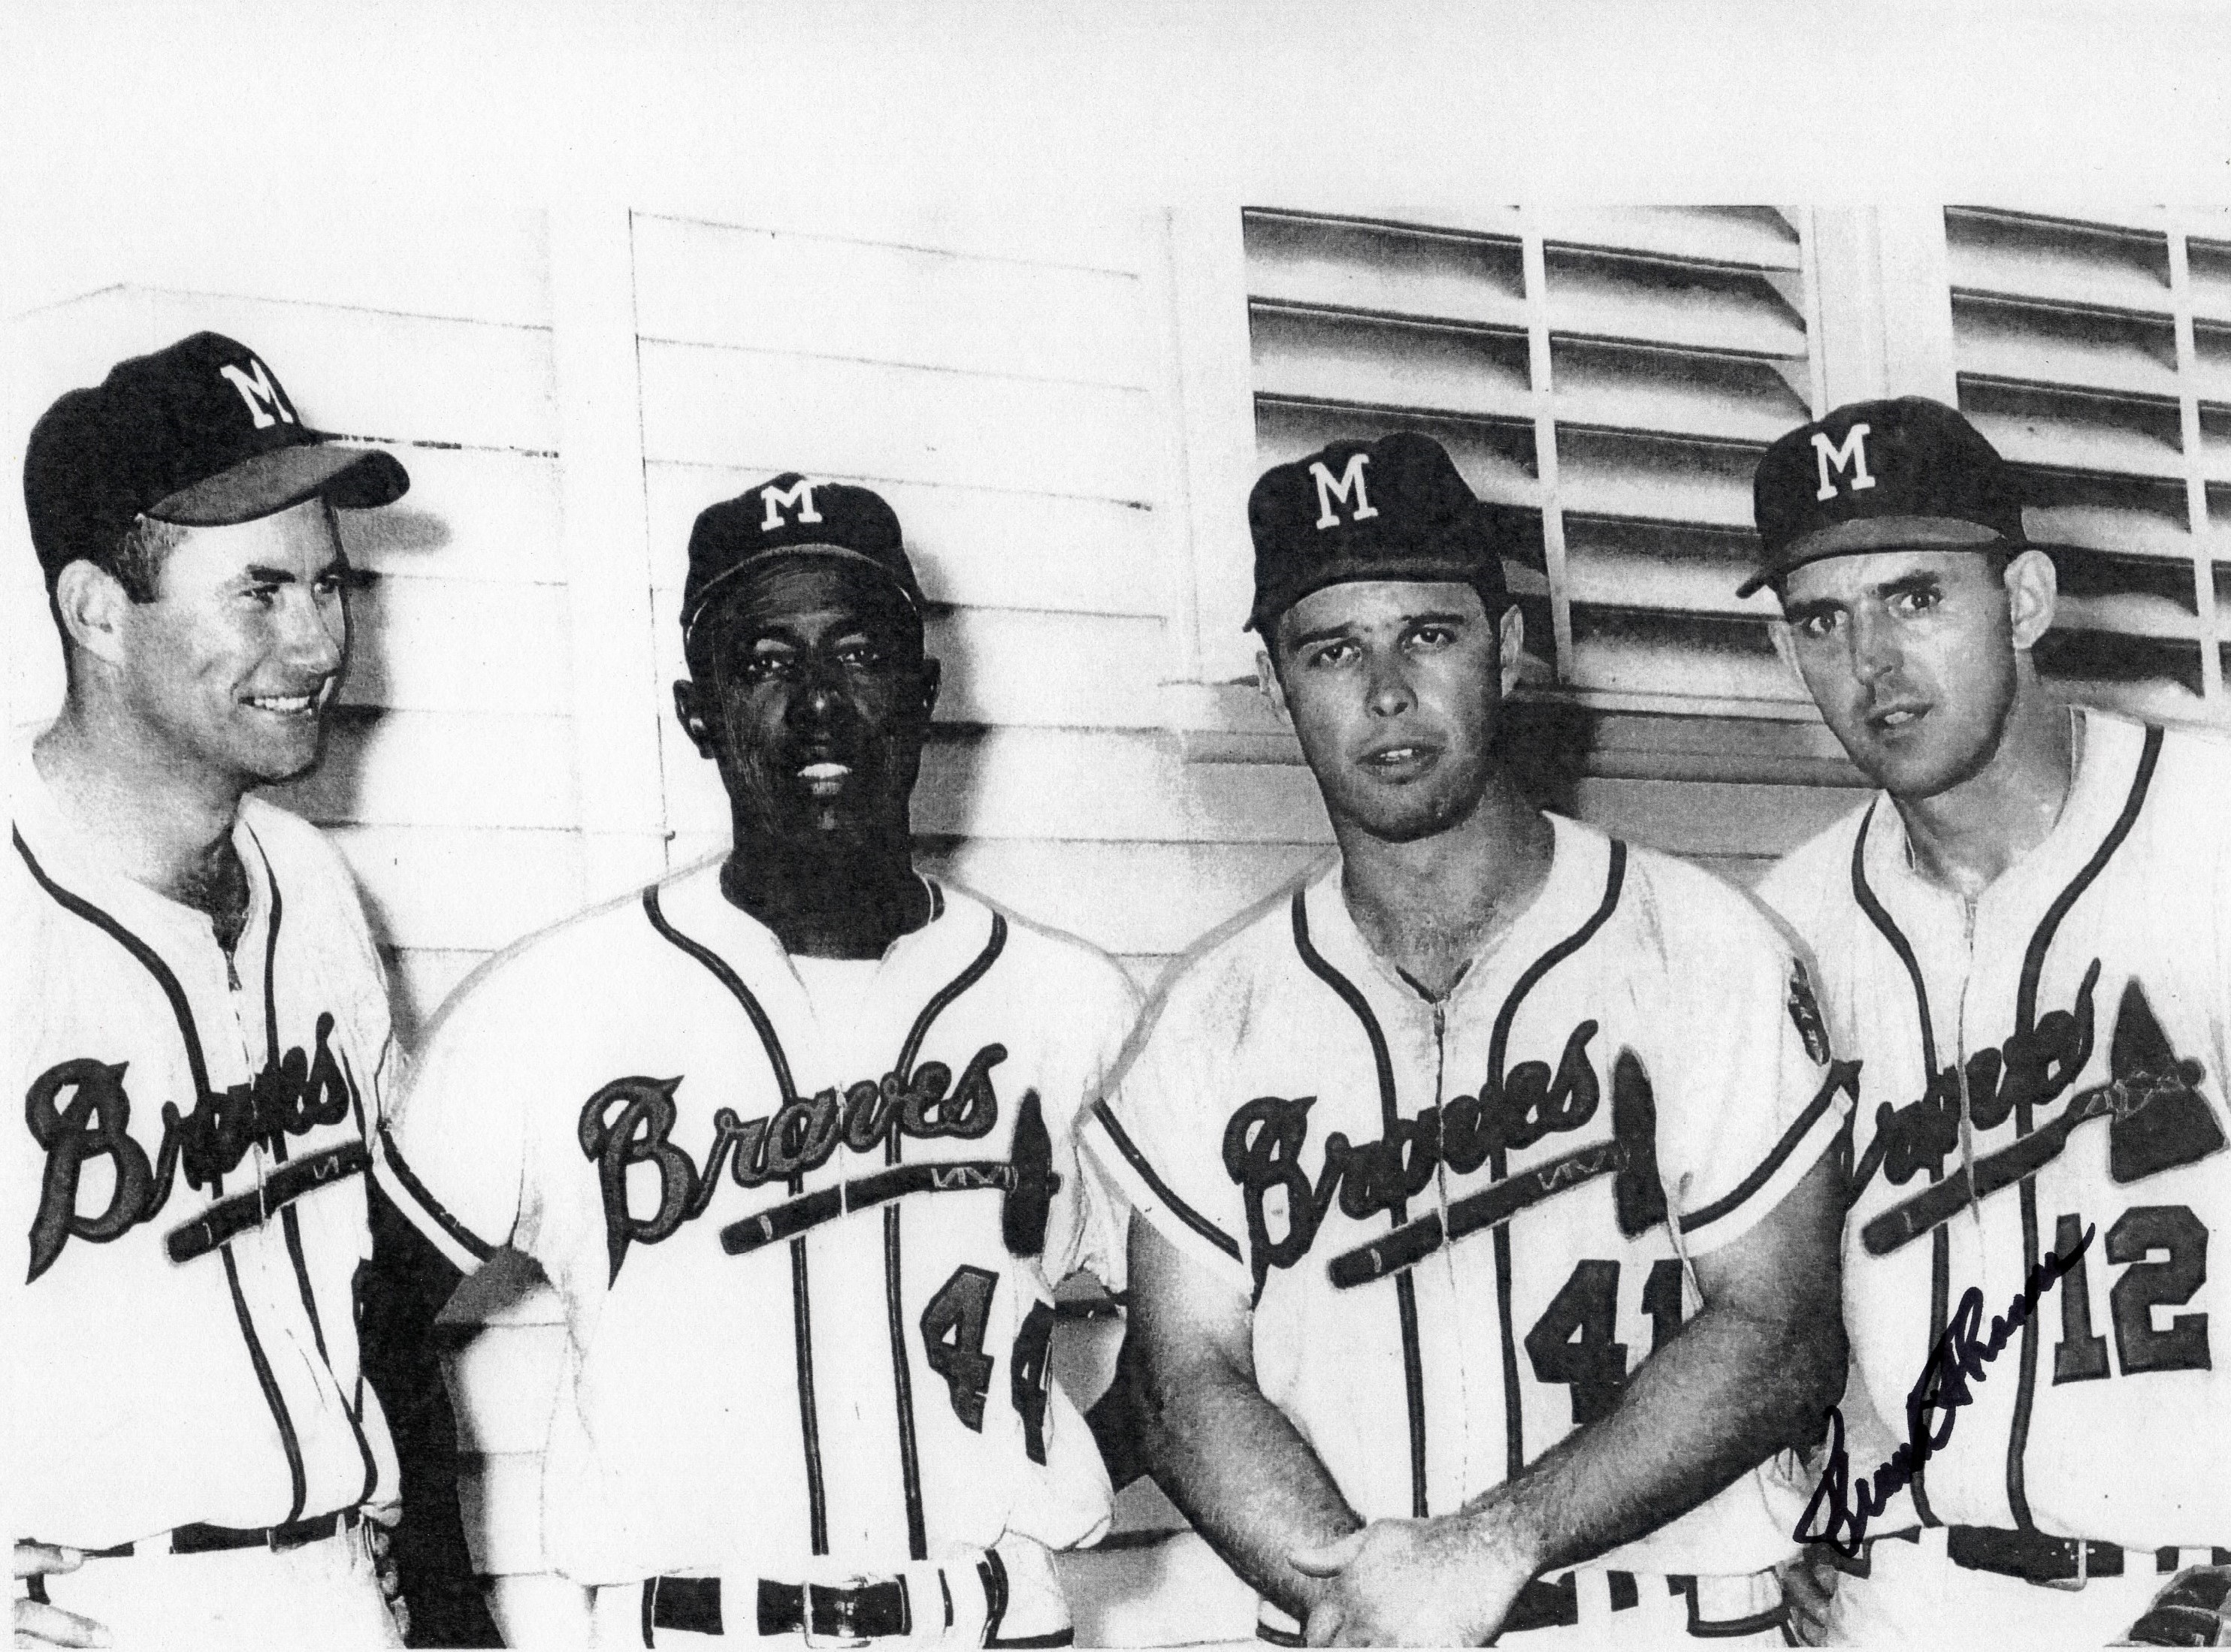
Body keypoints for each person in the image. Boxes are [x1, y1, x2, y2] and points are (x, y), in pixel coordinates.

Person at [1078, 430, 1856, 1645]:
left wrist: (1491, 1547)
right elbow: (1182, 1381)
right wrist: (1365, 1602)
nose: (1386, 692)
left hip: (1664, 1618)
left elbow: (1782, 1333)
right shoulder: (1215, 1014)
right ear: (1278, 685)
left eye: (1427, 635)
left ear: (1509, 648)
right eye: (1332, 650)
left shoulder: (1701, 946)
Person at [372, 474, 1145, 1647]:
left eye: (859, 655)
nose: (819, 706)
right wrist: (446, 1622)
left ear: (923, 693)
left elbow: (1217, 1328)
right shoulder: (558, 1004)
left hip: (990, 1620)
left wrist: (1060, 1462)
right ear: (699, 712)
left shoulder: (1070, 1003)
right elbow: (371, 1307)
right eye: (765, 665)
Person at [1747, 397, 2231, 1646]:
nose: (1872, 661)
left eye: (1916, 598)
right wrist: (1787, 1510)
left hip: (2210, 1589)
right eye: (1824, 618)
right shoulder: (1790, 924)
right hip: (1907, 1603)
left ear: (2024, 603)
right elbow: (1771, 1297)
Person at [8, 331, 488, 1648]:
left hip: (339, 1583)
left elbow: (377, 1285)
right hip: (114, 1602)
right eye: (260, 592)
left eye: (332, 587)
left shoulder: (312, 883)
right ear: (99, 610)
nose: (320, 640)